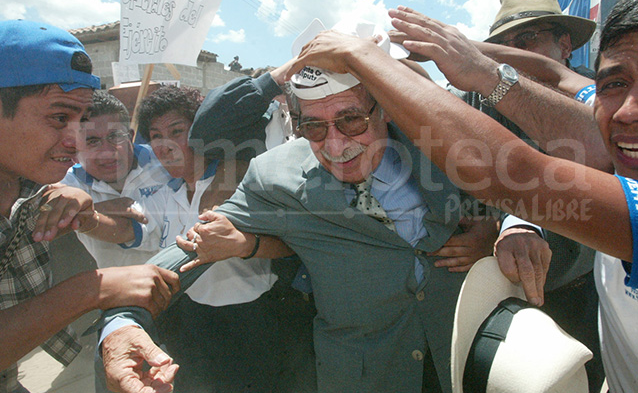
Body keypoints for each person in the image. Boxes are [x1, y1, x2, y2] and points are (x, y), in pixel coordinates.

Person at [287, 0, 638, 392]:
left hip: (574, 300)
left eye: (530, 36)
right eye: (616, 82)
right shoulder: (596, 105)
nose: (627, 109)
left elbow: (509, 172)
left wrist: (364, 58)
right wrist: (469, 55)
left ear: (566, 44)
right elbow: (553, 75)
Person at [99, 20, 470, 393]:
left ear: (385, 108)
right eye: (314, 128)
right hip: (366, 375)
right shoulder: (275, 176)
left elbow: (512, 185)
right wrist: (124, 319)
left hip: (458, 350)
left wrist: (504, 230)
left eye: (352, 120)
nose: (336, 146)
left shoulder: (438, 142)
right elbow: (190, 245)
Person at [0, 20, 179, 393]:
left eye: (81, 121)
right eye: (60, 118)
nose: (76, 140)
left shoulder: (31, 189)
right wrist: (93, 291)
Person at [447, 0, 604, 390]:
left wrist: (515, 225)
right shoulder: (481, 99)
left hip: (590, 292)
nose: (513, 52)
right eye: (502, 45)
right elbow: (460, 171)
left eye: (527, 39)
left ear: (565, 44)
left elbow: (592, 187)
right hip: (508, 301)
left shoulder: (601, 100)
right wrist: (487, 225)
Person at [129, 85, 291, 393]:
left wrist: (243, 244)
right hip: (187, 324)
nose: (166, 146)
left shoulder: (241, 183)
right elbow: (129, 227)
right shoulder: (164, 194)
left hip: (253, 322)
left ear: (202, 132)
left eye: (177, 131)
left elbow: (290, 245)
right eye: (155, 136)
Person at [60, 92, 172, 267]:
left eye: (115, 136)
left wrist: (82, 212)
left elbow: (131, 229)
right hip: (120, 291)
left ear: (131, 136)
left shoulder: (164, 164)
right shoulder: (68, 182)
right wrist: (100, 209)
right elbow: (40, 217)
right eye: (92, 141)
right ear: (75, 147)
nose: (107, 151)